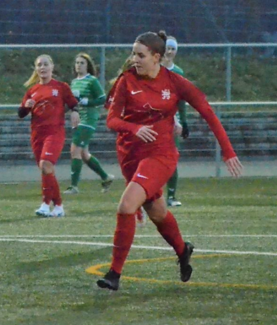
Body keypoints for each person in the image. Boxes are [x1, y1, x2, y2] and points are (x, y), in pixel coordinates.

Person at [97, 31, 243, 291]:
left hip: (160, 155)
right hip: (129, 154)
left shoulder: (174, 82)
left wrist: (228, 150)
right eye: (133, 54)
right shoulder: (126, 80)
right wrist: (133, 128)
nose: (135, 59)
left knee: (126, 206)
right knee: (157, 211)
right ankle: (182, 250)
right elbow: (111, 120)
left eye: (141, 55)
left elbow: (208, 112)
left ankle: (114, 274)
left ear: (157, 57)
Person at [18, 54, 79, 218]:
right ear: (36, 69)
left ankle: (45, 204)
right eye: (39, 65)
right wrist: (26, 106)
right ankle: (58, 206)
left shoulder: (61, 87)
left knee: (45, 164)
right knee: (46, 169)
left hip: (54, 132)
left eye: (45, 64)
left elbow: (73, 103)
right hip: (37, 134)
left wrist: (75, 112)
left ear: (52, 67)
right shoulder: (32, 91)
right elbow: (21, 113)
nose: (42, 67)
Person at [64, 52, 115, 195]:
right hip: (78, 119)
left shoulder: (92, 80)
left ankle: (74, 186)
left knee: (75, 150)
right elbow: (73, 102)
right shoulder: (74, 82)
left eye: (82, 63)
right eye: (77, 63)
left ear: (87, 66)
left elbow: (102, 99)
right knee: (84, 154)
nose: (79, 65)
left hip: (88, 119)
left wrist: (88, 102)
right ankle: (105, 177)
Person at [161, 36, 190, 207]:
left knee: (172, 158)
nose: (169, 52)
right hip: (155, 119)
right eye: (167, 48)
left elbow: (181, 100)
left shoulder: (178, 72)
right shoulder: (154, 69)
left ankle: (171, 196)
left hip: (173, 121)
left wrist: (183, 121)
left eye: (172, 49)